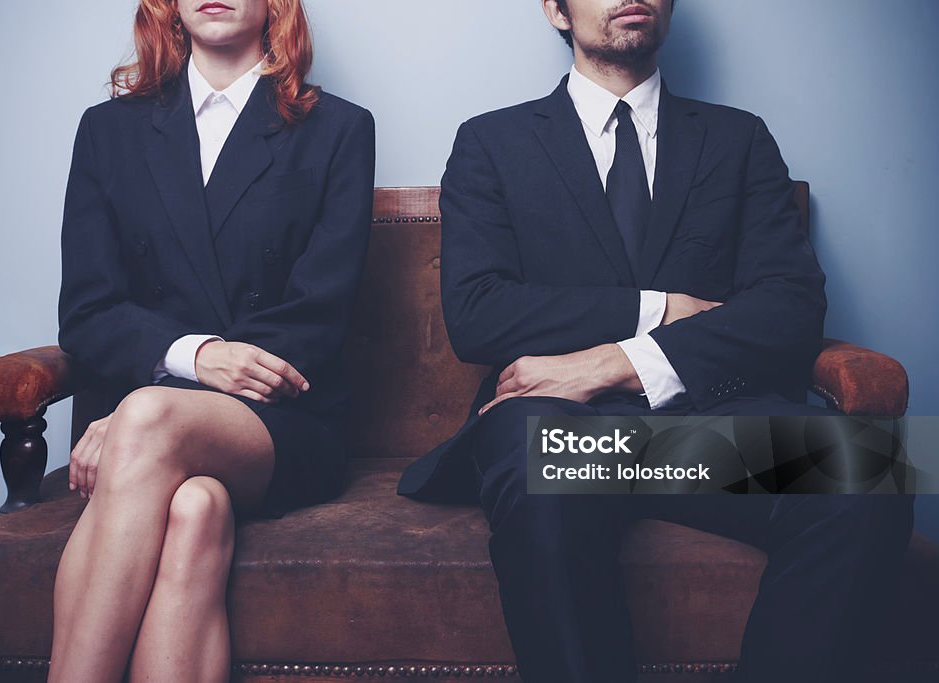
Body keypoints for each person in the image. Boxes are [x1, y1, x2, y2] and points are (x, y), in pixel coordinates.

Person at [398, 1, 913, 682]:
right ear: (555, 10)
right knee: (546, 472)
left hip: (696, 430)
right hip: (559, 426)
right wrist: (660, 307)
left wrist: (622, 361)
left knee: (874, 469)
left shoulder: (738, 140)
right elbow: (477, 314)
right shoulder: (491, 142)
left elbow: (790, 305)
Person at [50, 0, 375, 680]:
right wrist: (196, 358)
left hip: (284, 416)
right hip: (146, 414)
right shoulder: (107, 131)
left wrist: (148, 410)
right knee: (196, 508)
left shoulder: (339, 128)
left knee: (147, 419)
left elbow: (317, 313)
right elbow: (87, 310)